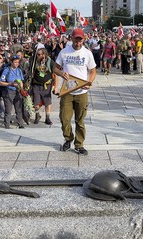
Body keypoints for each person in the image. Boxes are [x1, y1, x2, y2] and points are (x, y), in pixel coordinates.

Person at [54, 28, 96, 156]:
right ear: (71, 38)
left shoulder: (87, 53)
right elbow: (55, 68)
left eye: (80, 40)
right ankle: (68, 138)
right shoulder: (64, 52)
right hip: (67, 91)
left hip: (81, 92)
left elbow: (93, 71)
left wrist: (89, 82)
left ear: (83, 40)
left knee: (80, 120)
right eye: (76, 40)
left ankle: (79, 144)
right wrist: (61, 73)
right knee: (64, 119)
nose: (78, 43)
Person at [0, 55, 25, 129]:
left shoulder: (19, 70)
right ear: (11, 62)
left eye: (17, 62)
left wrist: (22, 89)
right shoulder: (7, 70)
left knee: (18, 109)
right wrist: (10, 84)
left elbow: (21, 81)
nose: (16, 64)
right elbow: (1, 82)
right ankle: (7, 125)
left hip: (18, 91)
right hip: (9, 91)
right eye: (15, 62)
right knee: (8, 110)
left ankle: (20, 124)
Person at [30, 48, 54, 125]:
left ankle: (47, 117)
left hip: (47, 85)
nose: (40, 56)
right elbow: (31, 72)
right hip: (36, 85)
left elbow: (55, 74)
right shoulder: (34, 62)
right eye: (38, 54)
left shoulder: (50, 62)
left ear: (45, 54)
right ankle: (37, 115)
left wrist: (55, 86)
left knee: (47, 102)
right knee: (36, 102)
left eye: (42, 54)